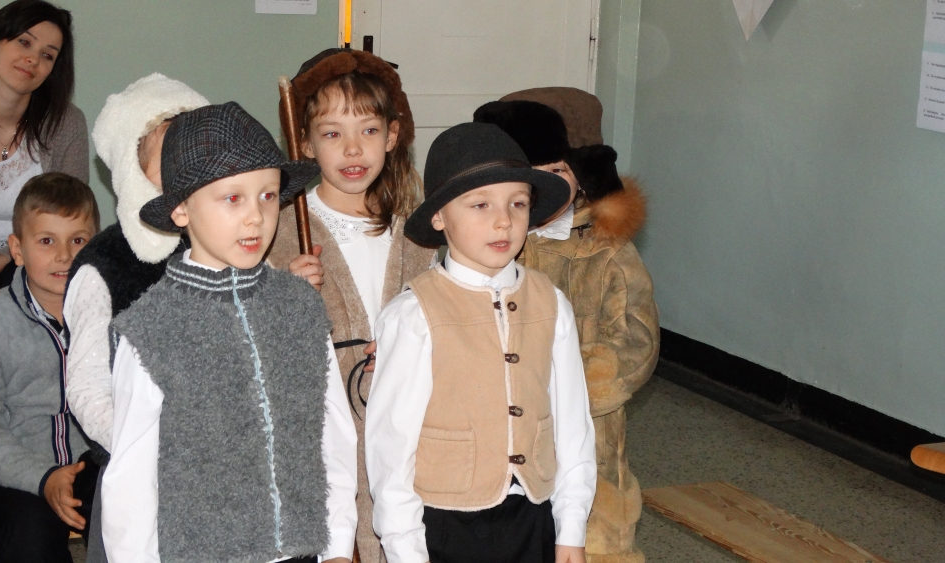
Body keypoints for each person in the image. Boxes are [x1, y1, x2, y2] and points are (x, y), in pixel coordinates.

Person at [101, 102, 358, 563]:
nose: (256, 217)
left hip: (304, 551)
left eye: (267, 195)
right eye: (232, 198)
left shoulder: (299, 307)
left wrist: (339, 544)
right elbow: (131, 482)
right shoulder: (151, 329)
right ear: (181, 209)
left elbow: (333, 434)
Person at [366, 122, 597, 563]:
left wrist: (571, 528)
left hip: (532, 517)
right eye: (480, 204)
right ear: (439, 217)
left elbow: (573, 426)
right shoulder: (413, 315)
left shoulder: (551, 303)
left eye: (518, 203)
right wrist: (405, 550)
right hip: (444, 525)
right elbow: (390, 450)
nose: (503, 220)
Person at [475, 93, 660, 563]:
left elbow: (636, 343)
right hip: (500, 432)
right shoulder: (490, 245)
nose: (543, 187)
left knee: (594, 539)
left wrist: (567, 390)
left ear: (582, 175)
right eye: (529, 173)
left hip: (588, 433)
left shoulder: (608, 253)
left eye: (556, 171)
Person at [266, 47, 434, 563]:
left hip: (403, 434)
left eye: (368, 129)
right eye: (333, 133)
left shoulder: (418, 234)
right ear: (305, 143)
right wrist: (283, 295)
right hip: (321, 439)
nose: (353, 148)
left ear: (392, 136)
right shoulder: (279, 233)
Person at [61, 73, 210, 563]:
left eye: (194, 151)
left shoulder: (225, 249)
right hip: (137, 479)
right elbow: (87, 387)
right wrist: (149, 447)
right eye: (167, 155)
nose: (183, 167)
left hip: (218, 482)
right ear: (132, 166)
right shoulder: (103, 266)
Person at [0, 172, 99, 563]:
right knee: (28, 542)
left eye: (78, 240)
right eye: (47, 241)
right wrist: (44, 477)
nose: (65, 255)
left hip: (94, 463)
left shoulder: (109, 314)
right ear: (17, 250)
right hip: (20, 472)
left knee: (136, 520)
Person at [0, 0, 88, 290]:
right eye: (24, 42)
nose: (33, 59)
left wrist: (0, 262)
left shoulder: (66, 122)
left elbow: (67, 217)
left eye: (47, 55)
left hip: (29, 264)